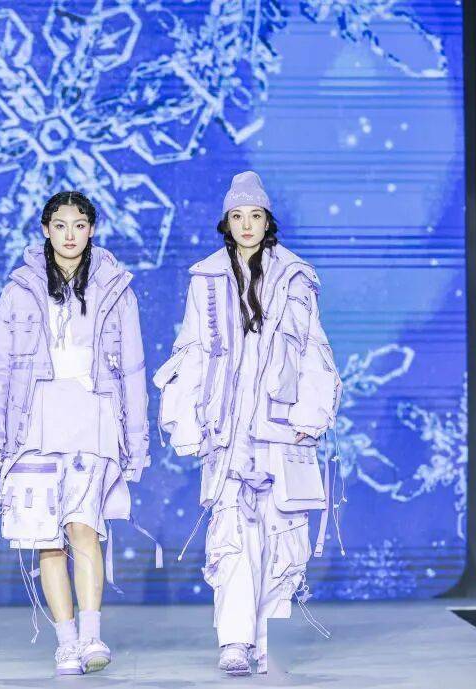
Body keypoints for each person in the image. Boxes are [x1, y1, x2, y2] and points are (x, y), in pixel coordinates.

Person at [155, 172, 342, 676]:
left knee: (280, 534)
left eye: (255, 216)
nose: (246, 225)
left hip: (280, 423)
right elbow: (192, 349)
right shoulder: (207, 278)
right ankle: (234, 641)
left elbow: (314, 347)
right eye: (237, 216)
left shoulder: (296, 277)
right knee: (232, 532)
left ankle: (259, 636)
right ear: (227, 222)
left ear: (267, 221)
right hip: (228, 425)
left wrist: (312, 413)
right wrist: (185, 419)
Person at [0, 191, 150, 675]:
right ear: (45, 230)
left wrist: (136, 440)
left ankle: (92, 637)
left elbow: (133, 369)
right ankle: (66, 641)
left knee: (84, 528)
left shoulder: (116, 288)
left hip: (93, 418)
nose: (70, 234)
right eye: (60, 225)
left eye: (79, 225)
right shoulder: (19, 289)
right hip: (34, 422)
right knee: (46, 537)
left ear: (91, 229)